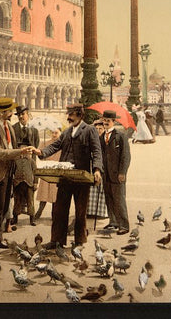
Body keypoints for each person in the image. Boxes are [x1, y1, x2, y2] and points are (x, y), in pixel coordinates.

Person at [33, 103, 103, 249]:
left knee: (80, 211)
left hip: (81, 178)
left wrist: (97, 170)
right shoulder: (66, 132)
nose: (68, 117)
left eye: (71, 114)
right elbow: (55, 146)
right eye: (68, 114)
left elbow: (97, 152)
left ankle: (79, 241)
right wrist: (41, 152)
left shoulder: (89, 130)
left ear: (79, 115)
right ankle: (57, 240)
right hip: (65, 177)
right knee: (59, 209)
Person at [0, 97, 35, 256]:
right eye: (9, 111)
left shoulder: (9, 127)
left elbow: (12, 146)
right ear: (1, 112)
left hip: (9, 171)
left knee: (5, 206)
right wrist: (20, 152)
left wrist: (22, 153)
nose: (13, 113)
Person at [100, 110, 131, 235]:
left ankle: (123, 225)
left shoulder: (120, 135)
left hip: (117, 174)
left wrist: (122, 172)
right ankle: (113, 222)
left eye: (108, 120)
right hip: (105, 174)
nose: (105, 122)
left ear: (114, 121)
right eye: (104, 120)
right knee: (109, 198)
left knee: (119, 200)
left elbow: (126, 156)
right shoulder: (101, 137)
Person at [12, 105, 40, 226]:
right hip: (17, 161)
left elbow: (36, 144)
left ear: (28, 115)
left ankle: (31, 217)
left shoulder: (34, 130)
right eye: (19, 115)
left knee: (30, 197)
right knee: (17, 197)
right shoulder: (14, 128)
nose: (21, 117)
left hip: (29, 162)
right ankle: (15, 216)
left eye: (23, 114)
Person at [34, 127, 62, 221]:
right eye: (53, 133)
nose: (54, 135)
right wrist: (42, 154)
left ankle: (54, 214)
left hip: (56, 170)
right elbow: (40, 156)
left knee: (55, 194)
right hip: (46, 170)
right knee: (44, 193)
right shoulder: (45, 143)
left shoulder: (62, 144)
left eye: (56, 133)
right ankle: (39, 212)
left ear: (60, 133)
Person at [86, 120, 109, 220]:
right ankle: (90, 212)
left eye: (101, 129)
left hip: (102, 166)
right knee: (91, 190)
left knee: (101, 189)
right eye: (97, 129)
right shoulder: (91, 139)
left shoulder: (105, 140)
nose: (99, 130)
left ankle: (101, 212)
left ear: (104, 129)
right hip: (91, 165)